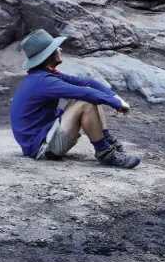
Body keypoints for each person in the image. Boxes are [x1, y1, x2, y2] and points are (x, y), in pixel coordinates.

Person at [10, 29, 140, 169]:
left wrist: (116, 98)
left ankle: (108, 142)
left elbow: (89, 83)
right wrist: (116, 104)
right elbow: (85, 93)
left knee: (89, 94)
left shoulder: (44, 75)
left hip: (42, 139)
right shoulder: (44, 81)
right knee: (85, 101)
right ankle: (105, 153)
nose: (60, 49)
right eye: (56, 47)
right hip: (41, 148)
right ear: (48, 55)